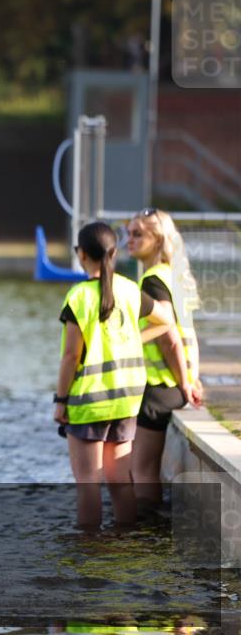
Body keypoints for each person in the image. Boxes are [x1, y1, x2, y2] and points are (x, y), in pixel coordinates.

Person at [53, 222, 188, 529]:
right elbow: (167, 320)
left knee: (88, 482)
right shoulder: (129, 289)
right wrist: (136, 339)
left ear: (81, 254)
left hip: (89, 401)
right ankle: (125, 542)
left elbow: (71, 356)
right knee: (119, 480)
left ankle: (89, 548)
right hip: (126, 399)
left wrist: (60, 400)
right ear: (113, 254)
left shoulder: (78, 297)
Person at [126, 208, 203, 509]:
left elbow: (169, 337)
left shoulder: (152, 281)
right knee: (144, 469)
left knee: (141, 469)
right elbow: (189, 335)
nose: (129, 240)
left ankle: (144, 531)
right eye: (128, 233)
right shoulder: (174, 276)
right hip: (173, 383)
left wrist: (185, 383)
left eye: (137, 234)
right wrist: (192, 378)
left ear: (157, 240)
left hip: (160, 387)